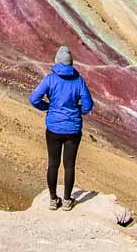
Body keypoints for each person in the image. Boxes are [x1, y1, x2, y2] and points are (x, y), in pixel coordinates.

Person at [29, 45, 94, 211]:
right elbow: (87, 105)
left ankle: (52, 199)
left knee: (53, 163)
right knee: (69, 165)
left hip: (54, 128)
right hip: (73, 129)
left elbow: (34, 99)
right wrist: (77, 111)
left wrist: (48, 108)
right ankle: (66, 200)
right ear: (71, 63)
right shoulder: (79, 81)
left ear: (57, 61)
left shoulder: (50, 79)